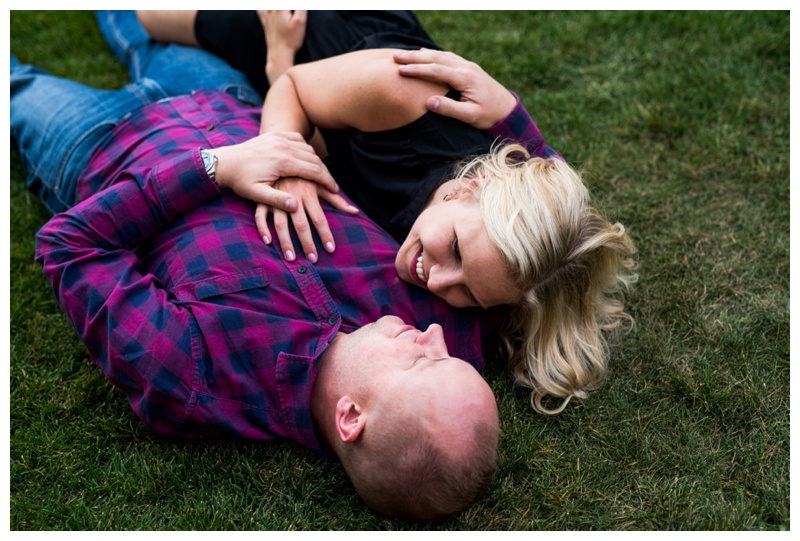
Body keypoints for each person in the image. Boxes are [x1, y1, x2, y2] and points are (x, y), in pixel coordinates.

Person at [10, 13, 500, 522]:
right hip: (228, 96)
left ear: (351, 416)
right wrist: (508, 113)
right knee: (133, 16)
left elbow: (72, 245)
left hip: (99, 144)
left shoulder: (196, 375)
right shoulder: (438, 307)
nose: (436, 333)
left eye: (426, 360)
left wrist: (215, 169)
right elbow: (551, 242)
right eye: (452, 356)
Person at [136, 10, 637, 414]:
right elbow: (293, 89)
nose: (438, 281)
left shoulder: (511, 252)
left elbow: (568, 223)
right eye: (456, 251)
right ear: (463, 192)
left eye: (470, 294)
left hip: (331, 102)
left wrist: (515, 116)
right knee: (147, 18)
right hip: (317, 32)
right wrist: (284, 145)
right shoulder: (410, 97)